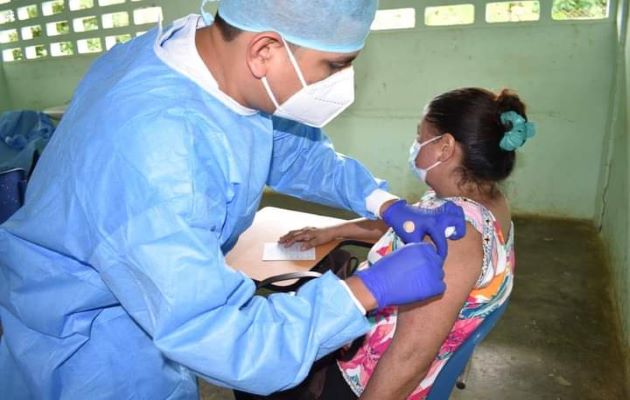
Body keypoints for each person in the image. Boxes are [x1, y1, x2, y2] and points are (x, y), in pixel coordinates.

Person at [0, 1, 467, 399]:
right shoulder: (154, 154)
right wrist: (365, 291)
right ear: (264, 50)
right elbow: (225, 336)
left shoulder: (188, 59)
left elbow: (284, 146)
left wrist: (381, 201)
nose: (345, 82)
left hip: (132, 300)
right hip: (90, 350)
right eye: (336, 65)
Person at [278, 88, 534, 399]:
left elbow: (409, 357)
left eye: (420, 136)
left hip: (365, 377)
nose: (414, 146)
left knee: (274, 369)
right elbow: (408, 227)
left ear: (444, 147)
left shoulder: (456, 237)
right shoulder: (486, 200)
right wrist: (337, 231)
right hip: (379, 347)